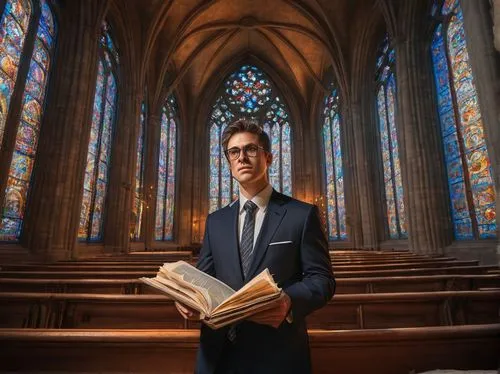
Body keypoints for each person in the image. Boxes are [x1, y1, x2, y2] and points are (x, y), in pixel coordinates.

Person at [176, 119, 335, 374]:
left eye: (250, 149)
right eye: (234, 152)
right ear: (228, 162)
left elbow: (322, 279)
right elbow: (203, 279)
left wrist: (289, 302)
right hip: (217, 354)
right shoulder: (216, 221)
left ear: (268, 157)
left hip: (278, 353)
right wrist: (188, 299)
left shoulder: (301, 215)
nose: (242, 157)